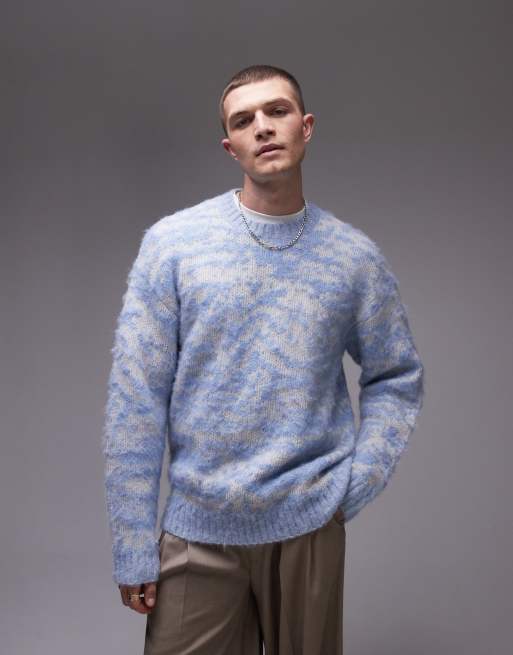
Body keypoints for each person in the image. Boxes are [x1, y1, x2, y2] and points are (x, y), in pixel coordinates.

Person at [102, 64, 425, 654]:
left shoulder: (353, 258)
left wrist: (357, 482)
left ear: (306, 127)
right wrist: (132, 541)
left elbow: (396, 375)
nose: (263, 127)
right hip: (198, 530)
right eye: (243, 120)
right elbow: (136, 398)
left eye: (277, 111)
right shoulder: (174, 246)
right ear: (231, 147)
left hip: (309, 526)